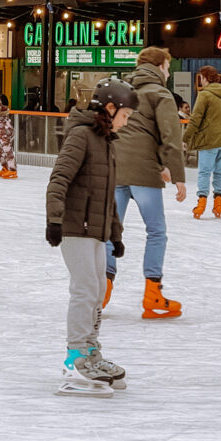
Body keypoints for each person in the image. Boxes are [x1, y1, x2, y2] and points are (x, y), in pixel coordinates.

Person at [46, 78, 137, 397]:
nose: (126, 122)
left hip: (95, 230)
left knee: (97, 291)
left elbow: (106, 193)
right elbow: (59, 178)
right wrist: (54, 220)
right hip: (75, 226)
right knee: (85, 291)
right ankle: (75, 359)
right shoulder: (82, 135)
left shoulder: (106, 141)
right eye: (125, 115)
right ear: (110, 108)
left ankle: (90, 353)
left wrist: (115, 233)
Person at [104, 46, 187, 319]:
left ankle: (101, 288)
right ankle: (153, 293)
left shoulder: (121, 91)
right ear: (161, 66)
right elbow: (170, 138)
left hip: (114, 169)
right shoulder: (161, 93)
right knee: (156, 231)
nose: (168, 72)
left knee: (110, 228)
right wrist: (177, 175)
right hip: (143, 174)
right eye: (167, 67)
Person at [183, 66, 221, 219]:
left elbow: (195, 119)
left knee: (204, 171)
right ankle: (218, 204)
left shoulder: (205, 95)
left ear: (205, 78)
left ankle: (201, 204)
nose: (200, 80)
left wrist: (185, 138)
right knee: (219, 172)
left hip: (209, 140)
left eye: (201, 77)